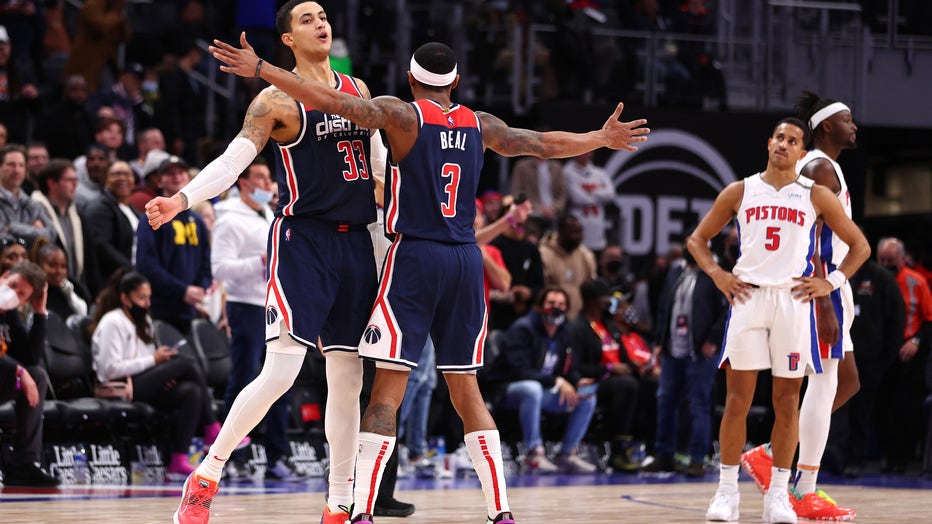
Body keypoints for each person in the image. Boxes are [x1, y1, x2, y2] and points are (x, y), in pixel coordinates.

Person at [210, 34, 648, 522]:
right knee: (467, 391)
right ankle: (501, 510)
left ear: (410, 78)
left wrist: (263, 69)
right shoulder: (481, 124)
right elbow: (542, 144)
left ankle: (362, 510)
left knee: (386, 391)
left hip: (415, 258)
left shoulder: (400, 115)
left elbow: (328, 101)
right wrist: (599, 139)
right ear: (456, 81)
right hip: (465, 261)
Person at [146, 3, 394, 523]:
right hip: (304, 240)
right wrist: (182, 199)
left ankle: (339, 502)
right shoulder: (274, 99)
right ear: (286, 39)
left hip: (357, 243)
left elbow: (379, 171)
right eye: (307, 19)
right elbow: (234, 161)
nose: (321, 23)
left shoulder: (358, 90)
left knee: (348, 378)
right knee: (282, 370)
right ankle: (208, 472)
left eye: (323, 15)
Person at [688, 117, 869, 523]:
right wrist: (718, 275)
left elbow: (860, 245)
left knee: (787, 402)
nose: (784, 145)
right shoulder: (741, 190)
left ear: (802, 152)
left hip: (793, 301)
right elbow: (697, 239)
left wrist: (831, 282)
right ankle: (726, 493)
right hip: (749, 298)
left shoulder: (815, 194)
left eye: (792, 141)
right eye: (779, 138)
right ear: (768, 143)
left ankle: (778, 497)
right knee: (737, 401)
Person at [740, 92, 861, 520]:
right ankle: (804, 487)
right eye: (847, 119)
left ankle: (773, 453)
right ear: (826, 126)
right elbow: (811, 237)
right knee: (824, 384)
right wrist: (824, 298)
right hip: (821, 285)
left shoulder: (822, 166)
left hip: (830, 285)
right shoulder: (819, 167)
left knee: (846, 382)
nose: (854, 126)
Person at [210, 157, 304, 481]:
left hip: (275, 304)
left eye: (269, 178)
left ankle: (276, 455)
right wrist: (259, 261)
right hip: (245, 306)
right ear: (244, 183)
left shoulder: (270, 212)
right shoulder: (229, 218)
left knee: (280, 382)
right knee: (243, 379)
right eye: (261, 178)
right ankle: (231, 456)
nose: (268, 184)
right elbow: (219, 268)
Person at [90, 270, 232, 481]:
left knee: (191, 391)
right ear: (125, 298)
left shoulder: (145, 321)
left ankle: (178, 460)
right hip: (119, 387)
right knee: (184, 364)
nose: (147, 303)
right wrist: (154, 362)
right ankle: (212, 429)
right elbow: (109, 369)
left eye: (149, 298)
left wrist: (162, 375)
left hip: (141, 384)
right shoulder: (113, 321)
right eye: (141, 298)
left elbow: (149, 361)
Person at [641, 244, 727, 477]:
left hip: (699, 351)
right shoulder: (676, 271)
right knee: (665, 400)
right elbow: (664, 307)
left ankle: (697, 458)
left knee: (698, 403)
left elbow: (727, 310)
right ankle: (664, 455)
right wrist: (659, 340)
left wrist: (713, 339)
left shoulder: (716, 272)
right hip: (672, 349)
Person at [827, 258, 904, 478]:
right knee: (835, 409)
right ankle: (833, 456)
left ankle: (855, 459)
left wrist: (884, 359)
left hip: (870, 360)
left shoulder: (881, 278)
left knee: (861, 412)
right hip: (836, 353)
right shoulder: (832, 272)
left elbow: (896, 320)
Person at [570, 279, 641, 472]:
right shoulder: (578, 327)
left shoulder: (609, 325)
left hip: (618, 379)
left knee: (650, 384)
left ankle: (646, 446)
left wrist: (635, 366)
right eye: (606, 298)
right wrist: (609, 368)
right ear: (593, 301)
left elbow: (623, 356)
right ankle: (618, 448)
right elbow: (576, 367)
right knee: (627, 385)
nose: (610, 301)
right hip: (594, 382)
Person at [136, 156, 212, 336]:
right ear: (160, 180)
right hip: (159, 309)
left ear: (189, 178)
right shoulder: (152, 217)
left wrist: (200, 289)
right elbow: (146, 264)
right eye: (170, 173)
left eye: (180, 172)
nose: (176, 177)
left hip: (189, 309)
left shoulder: (198, 221)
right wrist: (182, 291)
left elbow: (206, 262)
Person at [875, 237, 932, 474]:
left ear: (902, 258)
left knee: (905, 408)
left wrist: (915, 341)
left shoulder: (916, 281)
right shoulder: (872, 280)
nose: (886, 264)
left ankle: (902, 459)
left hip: (908, 352)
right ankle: (883, 457)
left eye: (890, 260)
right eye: (882, 260)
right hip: (880, 353)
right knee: (880, 407)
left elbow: (929, 320)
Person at [0, 261, 58, 486]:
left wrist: (40, 313)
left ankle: (23, 464)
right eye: (12, 285)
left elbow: (31, 358)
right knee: (28, 375)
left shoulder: (10, 316)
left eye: (21, 294)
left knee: (37, 375)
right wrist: (19, 371)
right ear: (4, 276)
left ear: (24, 301)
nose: (13, 294)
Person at [539, 214, 597, 320]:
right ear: (561, 232)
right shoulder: (543, 254)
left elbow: (591, 288)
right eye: (574, 232)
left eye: (580, 232)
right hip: (550, 317)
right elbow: (540, 290)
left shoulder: (586, 255)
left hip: (579, 317)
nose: (578, 237)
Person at [0, 144, 56, 246]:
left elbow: (51, 234)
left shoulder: (32, 204)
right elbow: (2, 239)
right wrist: (33, 232)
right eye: (11, 165)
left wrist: (13, 228)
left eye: (21, 165)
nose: (17, 170)